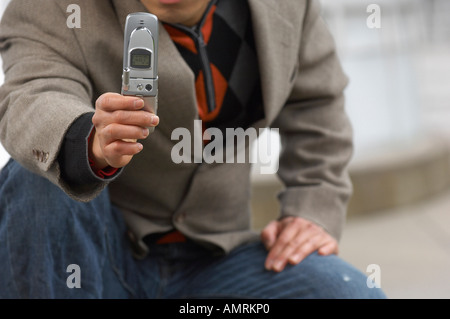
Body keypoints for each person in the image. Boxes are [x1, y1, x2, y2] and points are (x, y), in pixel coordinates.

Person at [0, 0, 386, 299]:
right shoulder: (54, 7)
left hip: (218, 262)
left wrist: (313, 207)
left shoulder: (284, 8)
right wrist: (87, 141)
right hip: (99, 256)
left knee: (349, 291)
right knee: (38, 177)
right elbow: (32, 94)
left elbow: (316, 104)